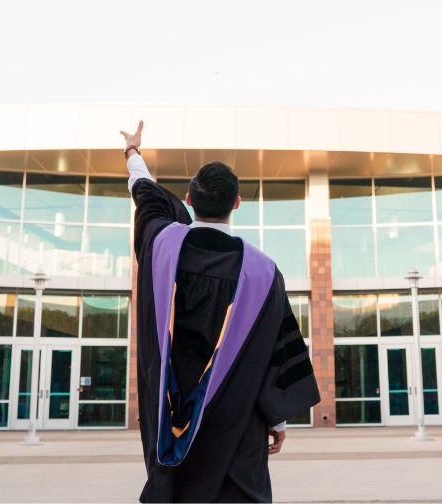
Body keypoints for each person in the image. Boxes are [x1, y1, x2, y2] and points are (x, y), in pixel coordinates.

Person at [123, 121, 320, 503]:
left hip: (169, 419)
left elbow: (145, 194)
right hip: (237, 427)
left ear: (189, 200)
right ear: (237, 203)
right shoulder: (262, 272)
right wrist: (277, 419)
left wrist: (133, 153)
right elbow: (272, 354)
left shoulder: (162, 246)